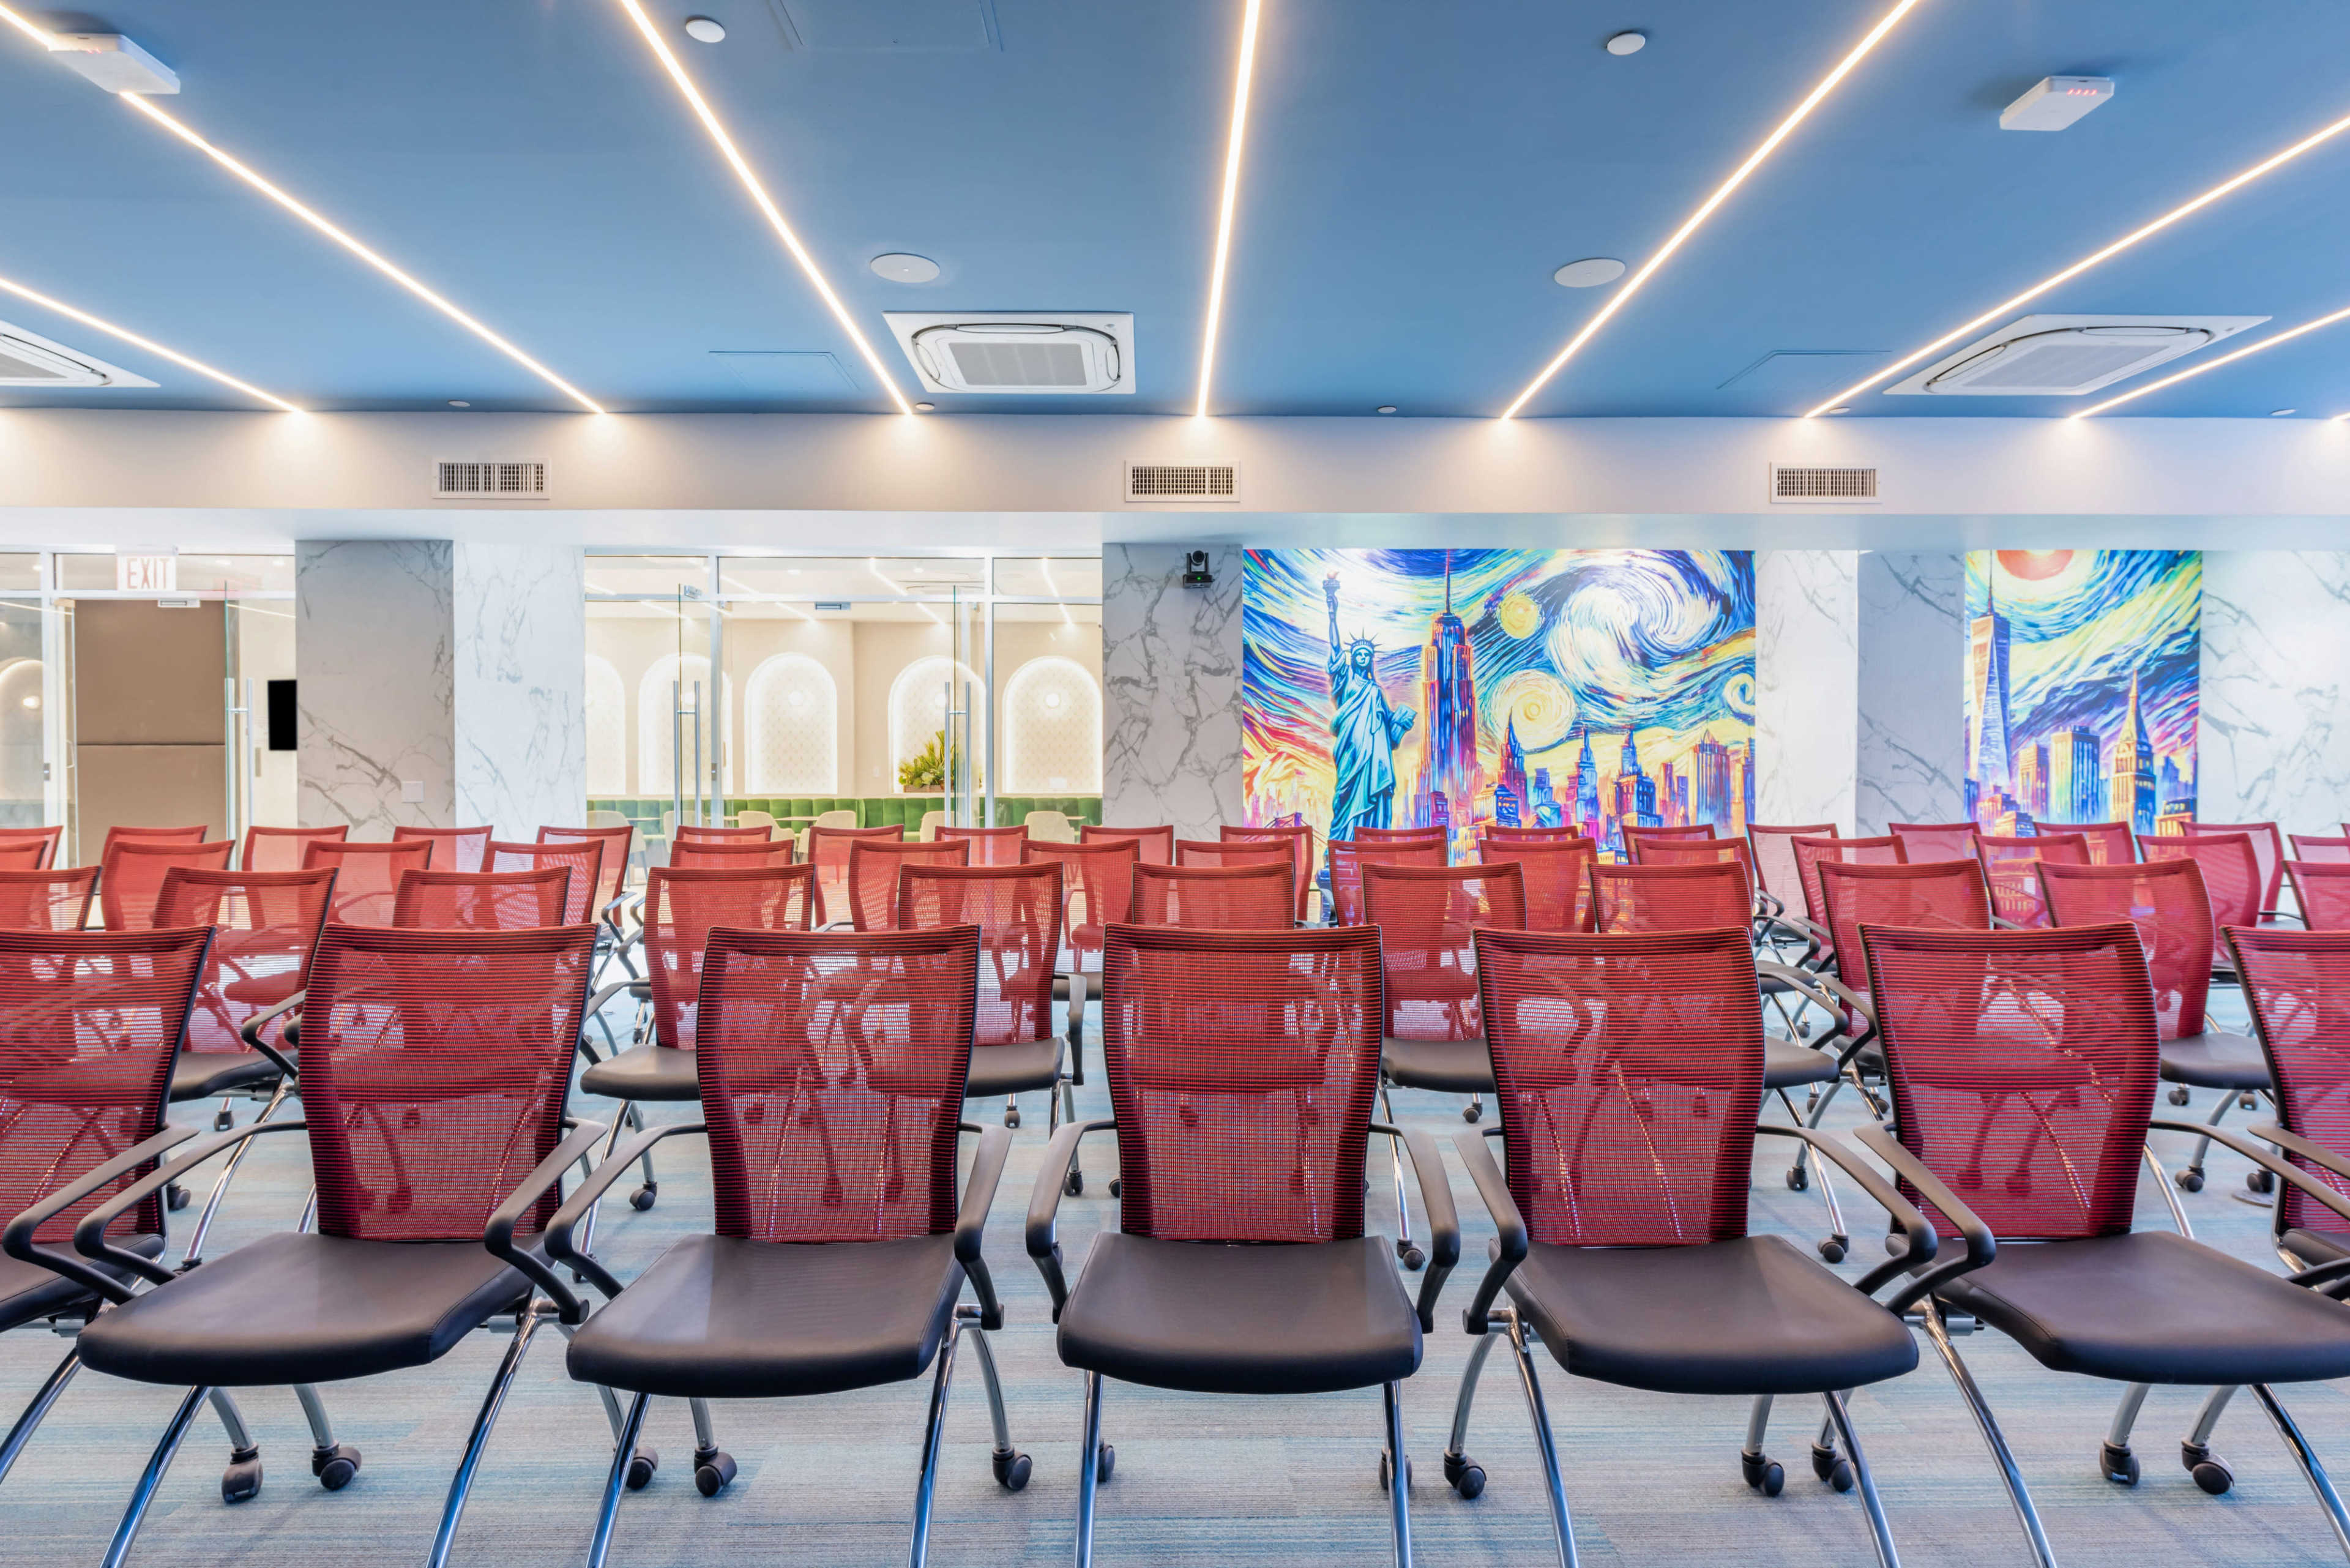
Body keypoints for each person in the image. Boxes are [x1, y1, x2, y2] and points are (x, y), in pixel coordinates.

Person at [1324, 572, 1416, 842]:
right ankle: (1344, 843)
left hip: (1376, 755)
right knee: (1346, 793)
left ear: (1371, 659)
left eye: (1367, 654)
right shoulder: (1346, 679)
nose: (1362, 657)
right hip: (1352, 749)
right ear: (1354, 658)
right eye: (1359, 654)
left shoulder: (1376, 691)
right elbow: (1335, 647)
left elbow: (1389, 734)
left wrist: (1400, 722)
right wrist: (1332, 613)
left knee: (1375, 799)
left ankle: (1370, 843)